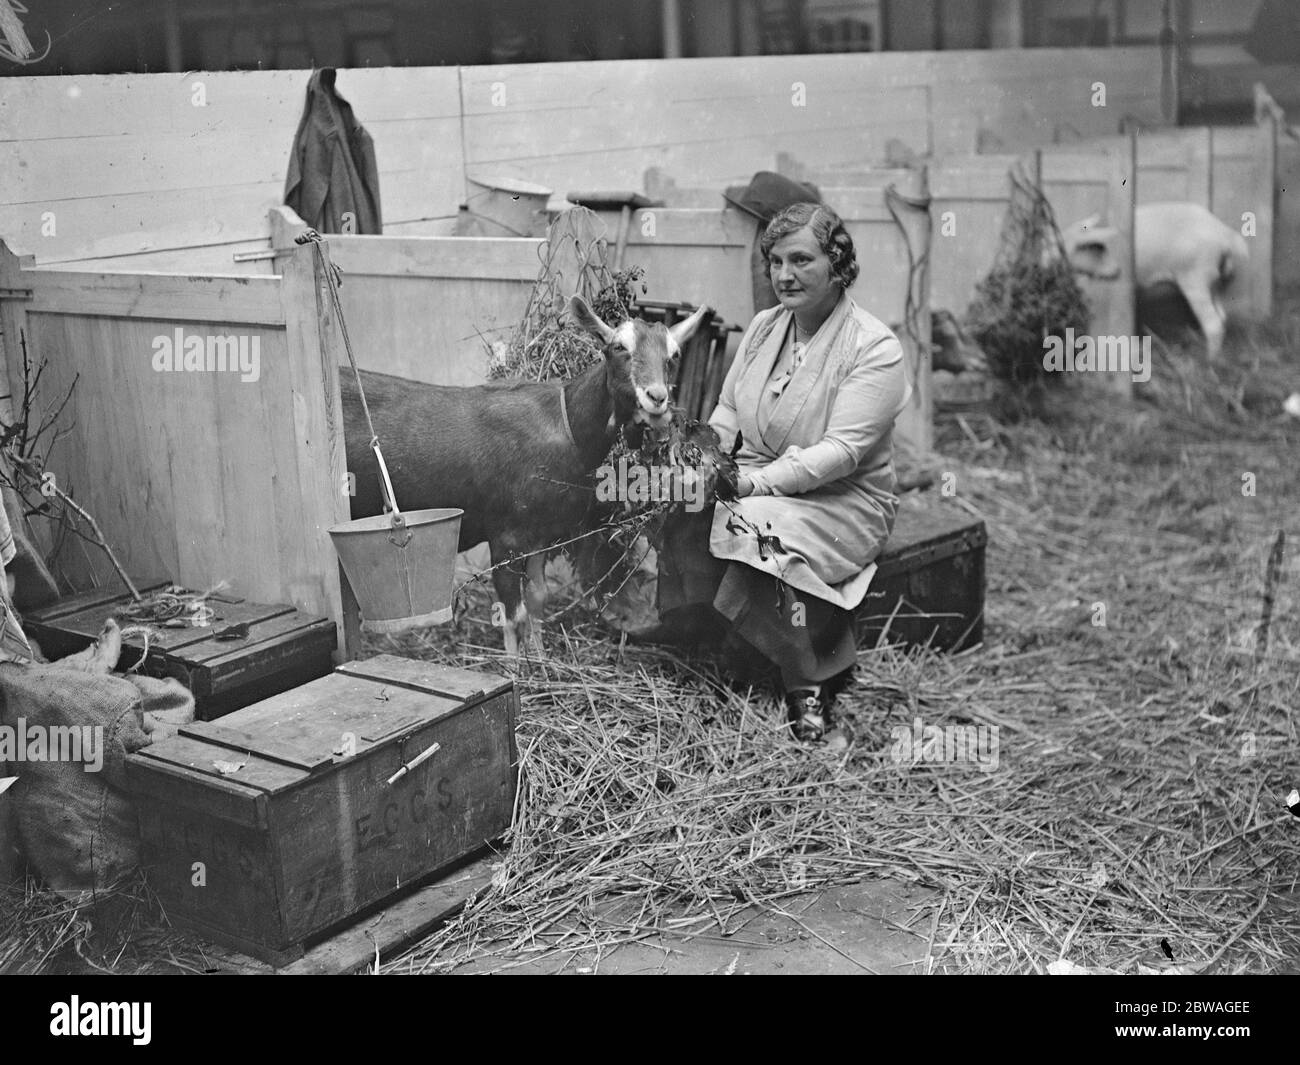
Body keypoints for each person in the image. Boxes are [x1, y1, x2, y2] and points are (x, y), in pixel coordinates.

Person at [649, 202, 912, 742]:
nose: (785, 275)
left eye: (801, 260)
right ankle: (701, 632)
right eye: (775, 261)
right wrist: (705, 457)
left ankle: (807, 678)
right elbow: (727, 411)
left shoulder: (874, 347)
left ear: (837, 265)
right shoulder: (768, 327)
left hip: (845, 500)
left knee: (748, 525)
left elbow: (840, 452)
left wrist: (748, 484)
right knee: (683, 502)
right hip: (759, 476)